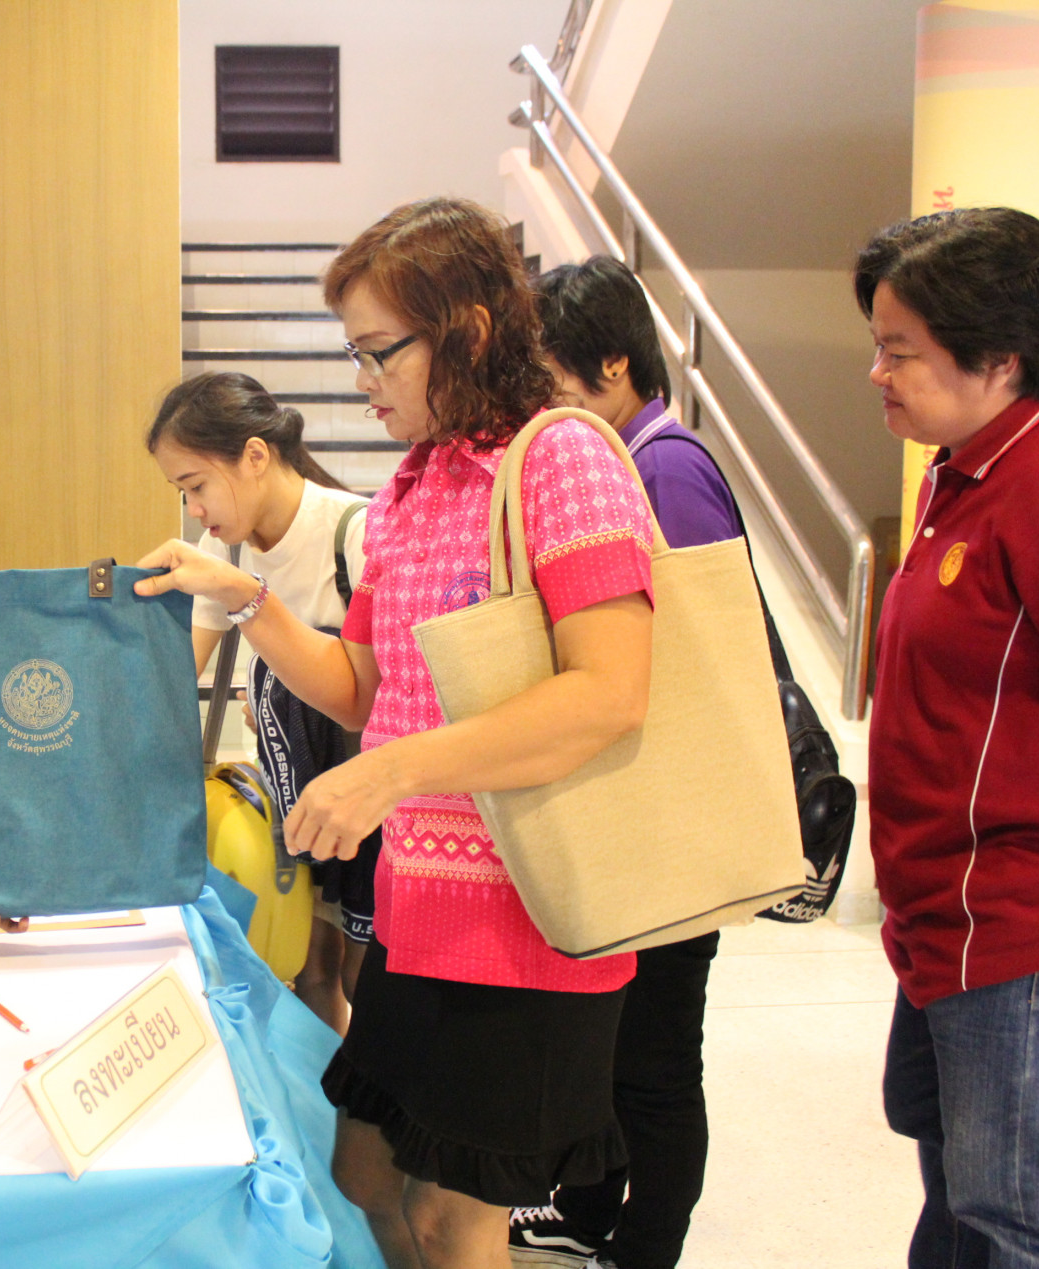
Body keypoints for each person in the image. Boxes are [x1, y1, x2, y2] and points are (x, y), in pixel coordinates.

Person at [137, 196, 658, 1269]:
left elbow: (608, 693)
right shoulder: (414, 487)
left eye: (379, 352)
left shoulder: (562, 459)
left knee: (450, 1221)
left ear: (467, 331)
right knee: (364, 1177)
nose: (362, 381)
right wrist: (246, 598)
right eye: (355, 354)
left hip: (527, 915)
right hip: (420, 910)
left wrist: (387, 775)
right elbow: (361, 688)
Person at [858, 207, 1039, 1269]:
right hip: (943, 926)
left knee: (1027, 1228)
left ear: (999, 356)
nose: (876, 373)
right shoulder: (961, 473)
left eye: (899, 351)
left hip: (1028, 935)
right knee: (961, 1211)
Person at [504, 255, 743, 1269]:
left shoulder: (664, 468)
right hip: (635, 812)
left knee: (654, 1063)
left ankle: (648, 1247)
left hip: (673, 821)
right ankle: (588, 1207)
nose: (538, 406)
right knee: (608, 1045)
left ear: (612, 364)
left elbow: (689, 654)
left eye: (550, 378)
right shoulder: (621, 458)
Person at [147, 370, 376, 1033]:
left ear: (254, 455)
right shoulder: (224, 546)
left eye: (196, 485)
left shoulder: (355, 532)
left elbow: (378, 696)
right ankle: (317, 1098)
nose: (194, 509)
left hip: (367, 808)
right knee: (306, 972)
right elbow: (176, 676)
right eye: (182, 492)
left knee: (365, 980)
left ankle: (371, 1099)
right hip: (286, 798)